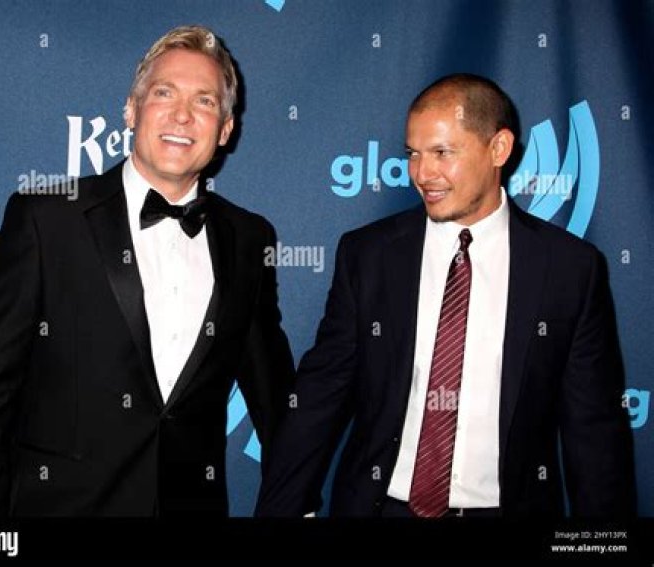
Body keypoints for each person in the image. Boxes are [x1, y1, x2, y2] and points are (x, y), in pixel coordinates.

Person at [0, 25, 295, 517]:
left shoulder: (250, 240)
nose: (182, 115)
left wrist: (298, 502)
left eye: (205, 101)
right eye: (165, 93)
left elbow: (275, 398)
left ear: (225, 129)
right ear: (131, 109)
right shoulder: (46, 220)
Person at [256, 74, 635, 518]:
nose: (422, 174)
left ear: (499, 149)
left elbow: (593, 429)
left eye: (442, 153)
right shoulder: (368, 255)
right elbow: (321, 395)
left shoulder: (569, 268)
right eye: (413, 154)